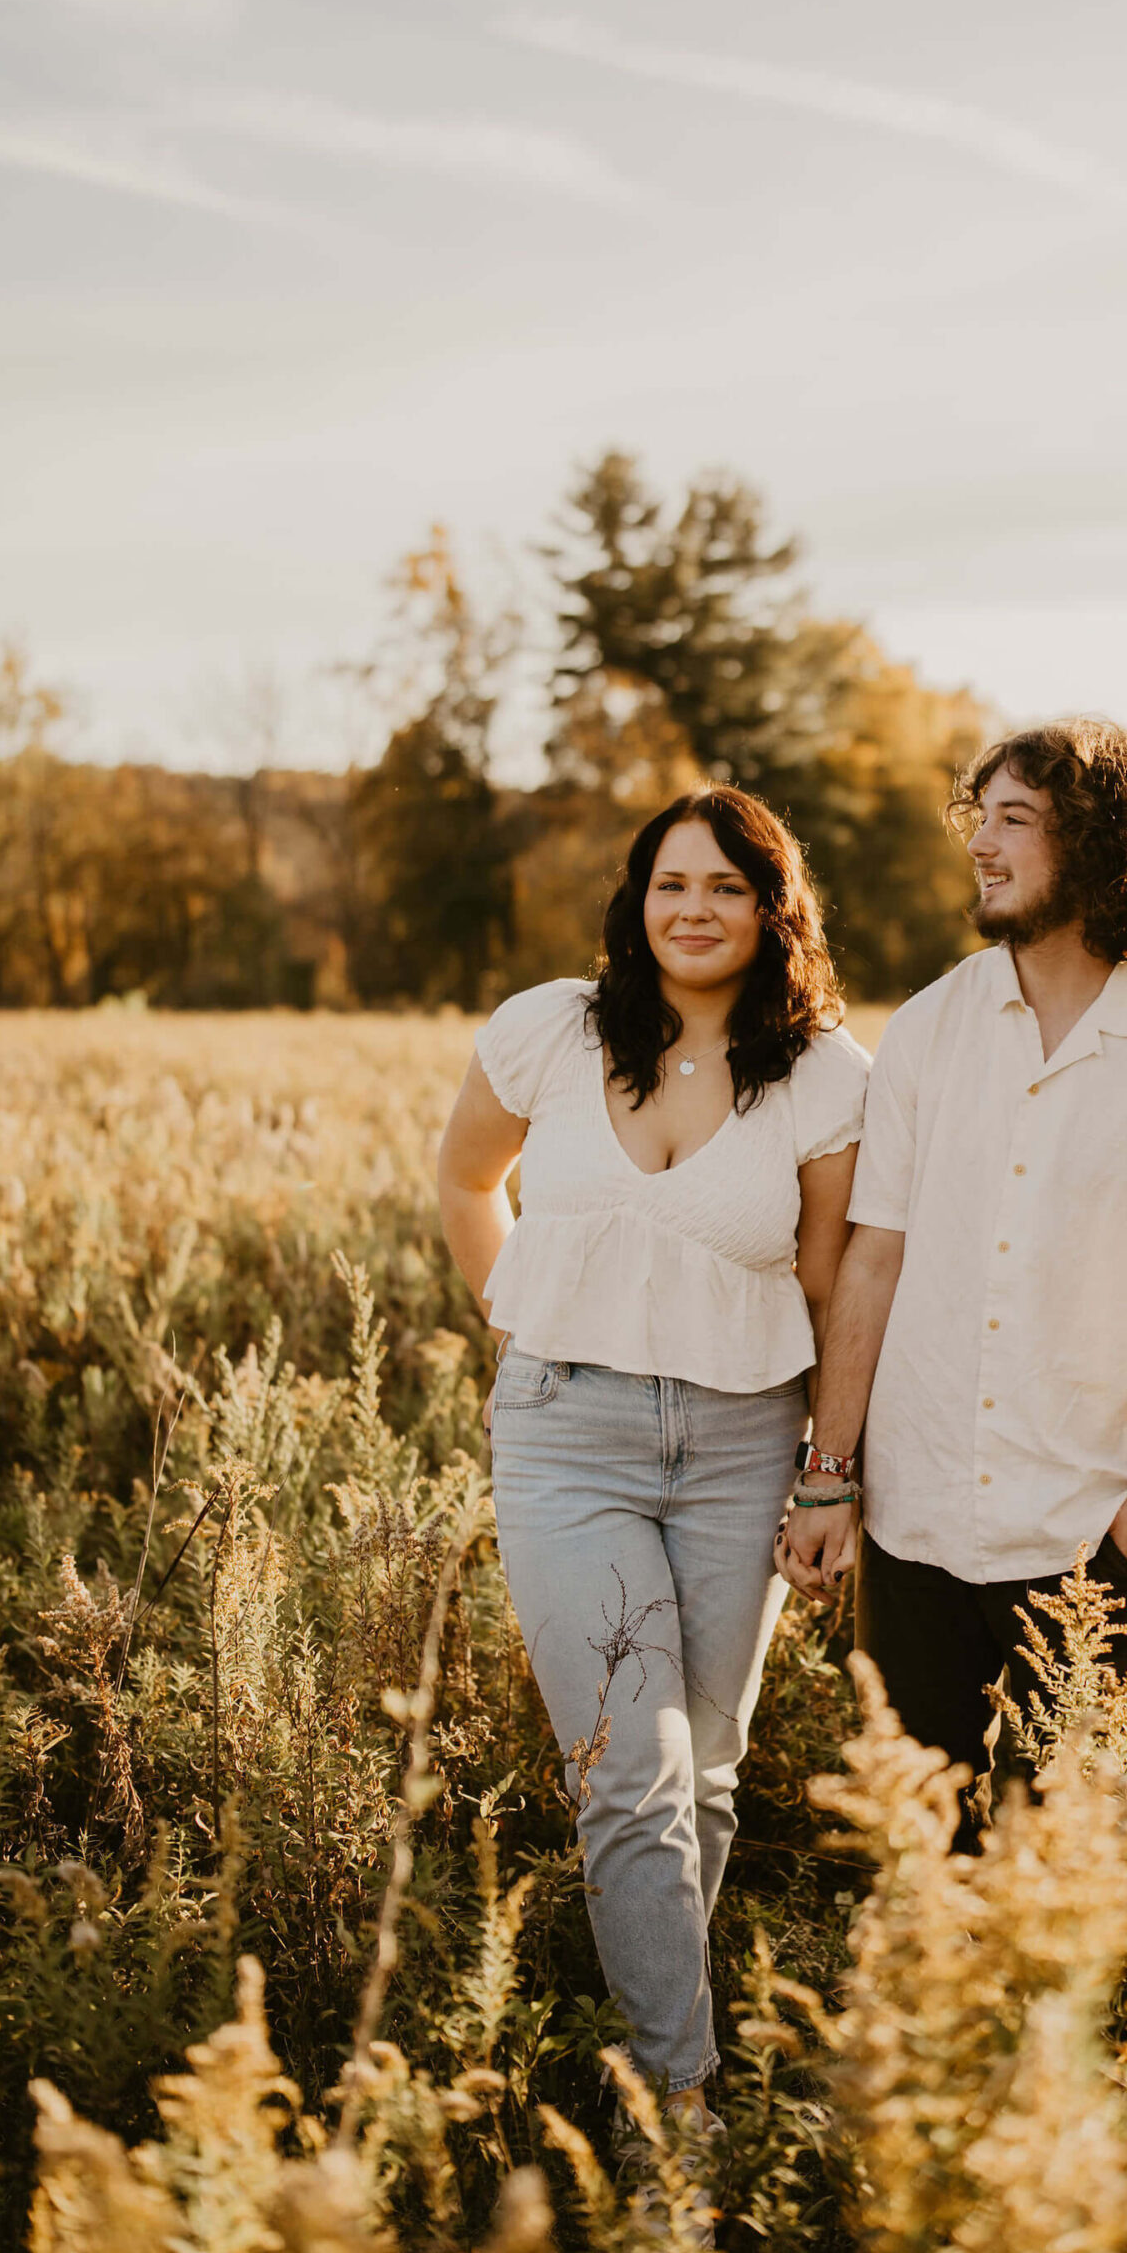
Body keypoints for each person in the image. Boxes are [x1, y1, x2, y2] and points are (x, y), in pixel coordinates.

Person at [779, 719, 1127, 1850]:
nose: (983, 844)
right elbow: (874, 1256)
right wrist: (828, 1474)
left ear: (1105, 845)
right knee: (920, 1873)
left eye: (1015, 819)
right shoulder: (926, 1029)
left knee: (1065, 1898)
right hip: (912, 1533)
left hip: (1084, 1550)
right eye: (983, 817)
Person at [438, 787, 869, 2120]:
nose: (692, 908)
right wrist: (533, 1325)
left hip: (744, 1441)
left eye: (725, 887)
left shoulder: (824, 1073)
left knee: (710, 1766)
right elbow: (463, 1182)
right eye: (670, 882)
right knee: (631, 1770)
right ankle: (672, 2104)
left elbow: (829, 1284)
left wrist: (825, 1474)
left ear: (771, 908)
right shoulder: (551, 1031)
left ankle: (656, 2016)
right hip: (569, 1437)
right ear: (637, 900)